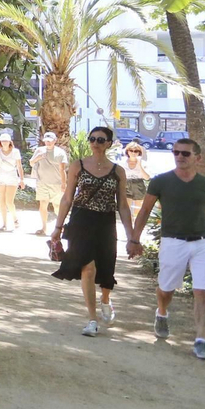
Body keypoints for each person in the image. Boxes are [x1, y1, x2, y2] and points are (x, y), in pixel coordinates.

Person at [128, 137, 205, 360]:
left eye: (185, 153)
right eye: (176, 152)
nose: (180, 156)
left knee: (202, 291)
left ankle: (201, 340)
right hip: (172, 242)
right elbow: (144, 211)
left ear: (197, 158)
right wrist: (134, 239)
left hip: (201, 244)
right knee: (166, 290)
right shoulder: (161, 182)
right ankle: (161, 312)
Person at [49, 126, 135, 336]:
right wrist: (58, 227)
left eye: (100, 140)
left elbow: (122, 205)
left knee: (106, 267)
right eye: (92, 139)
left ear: (109, 143)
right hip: (81, 220)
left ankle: (105, 298)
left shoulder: (118, 171)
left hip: (105, 222)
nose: (95, 143)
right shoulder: (78, 165)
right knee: (87, 268)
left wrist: (132, 236)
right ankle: (92, 319)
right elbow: (68, 197)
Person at [30, 131, 70, 236]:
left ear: (54, 141)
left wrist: (64, 184)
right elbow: (31, 162)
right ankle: (44, 228)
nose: (47, 143)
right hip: (42, 182)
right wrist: (37, 158)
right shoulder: (39, 150)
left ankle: (61, 226)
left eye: (49, 141)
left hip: (56, 183)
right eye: (46, 141)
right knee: (43, 204)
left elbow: (62, 169)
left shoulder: (60, 153)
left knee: (57, 206)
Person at [0, 132, 24, 231]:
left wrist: (22, 179)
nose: (4, 143)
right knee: (1, 201)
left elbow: (19, 166)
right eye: (2, 141)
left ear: (10, 142)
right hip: (0, 177)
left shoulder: (15, 152)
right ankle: (4, 224)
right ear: (0, 142)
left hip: (12, 176)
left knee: (9, 201)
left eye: (6, 141)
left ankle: (15, 218)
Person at [122, 140, 151, 219]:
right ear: (127, 151)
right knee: (127, 209)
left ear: (139, 153)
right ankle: (129, 227)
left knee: (137, 211)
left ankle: (135, 227)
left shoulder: (143, 163)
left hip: (139, 185)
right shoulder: (122, 162)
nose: (133, 153)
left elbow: (147, 177)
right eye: (131, 150)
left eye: (136, 151)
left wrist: (139, 164)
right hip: (126, 184)